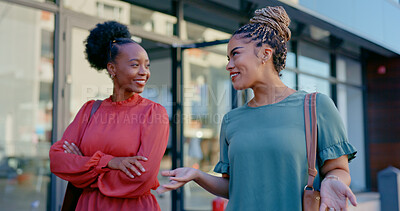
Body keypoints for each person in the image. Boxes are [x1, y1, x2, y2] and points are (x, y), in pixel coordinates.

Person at [157, 6, 358, 211]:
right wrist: (197, 175)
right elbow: (233, 187)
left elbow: (338, 169)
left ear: (265, 53)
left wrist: (333, 180)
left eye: (235, 54)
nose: (229, 65)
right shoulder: (231, 120)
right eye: (228, 58)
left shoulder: (316, 106)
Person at [49, 21, 169, 211]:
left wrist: (83, 169)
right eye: (135, 65)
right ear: (112, 69)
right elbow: (58, 160)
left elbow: (142, 177)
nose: (144, 72)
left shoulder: (154, 113)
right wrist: (110, 162)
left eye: (147, 65)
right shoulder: (90, 110)